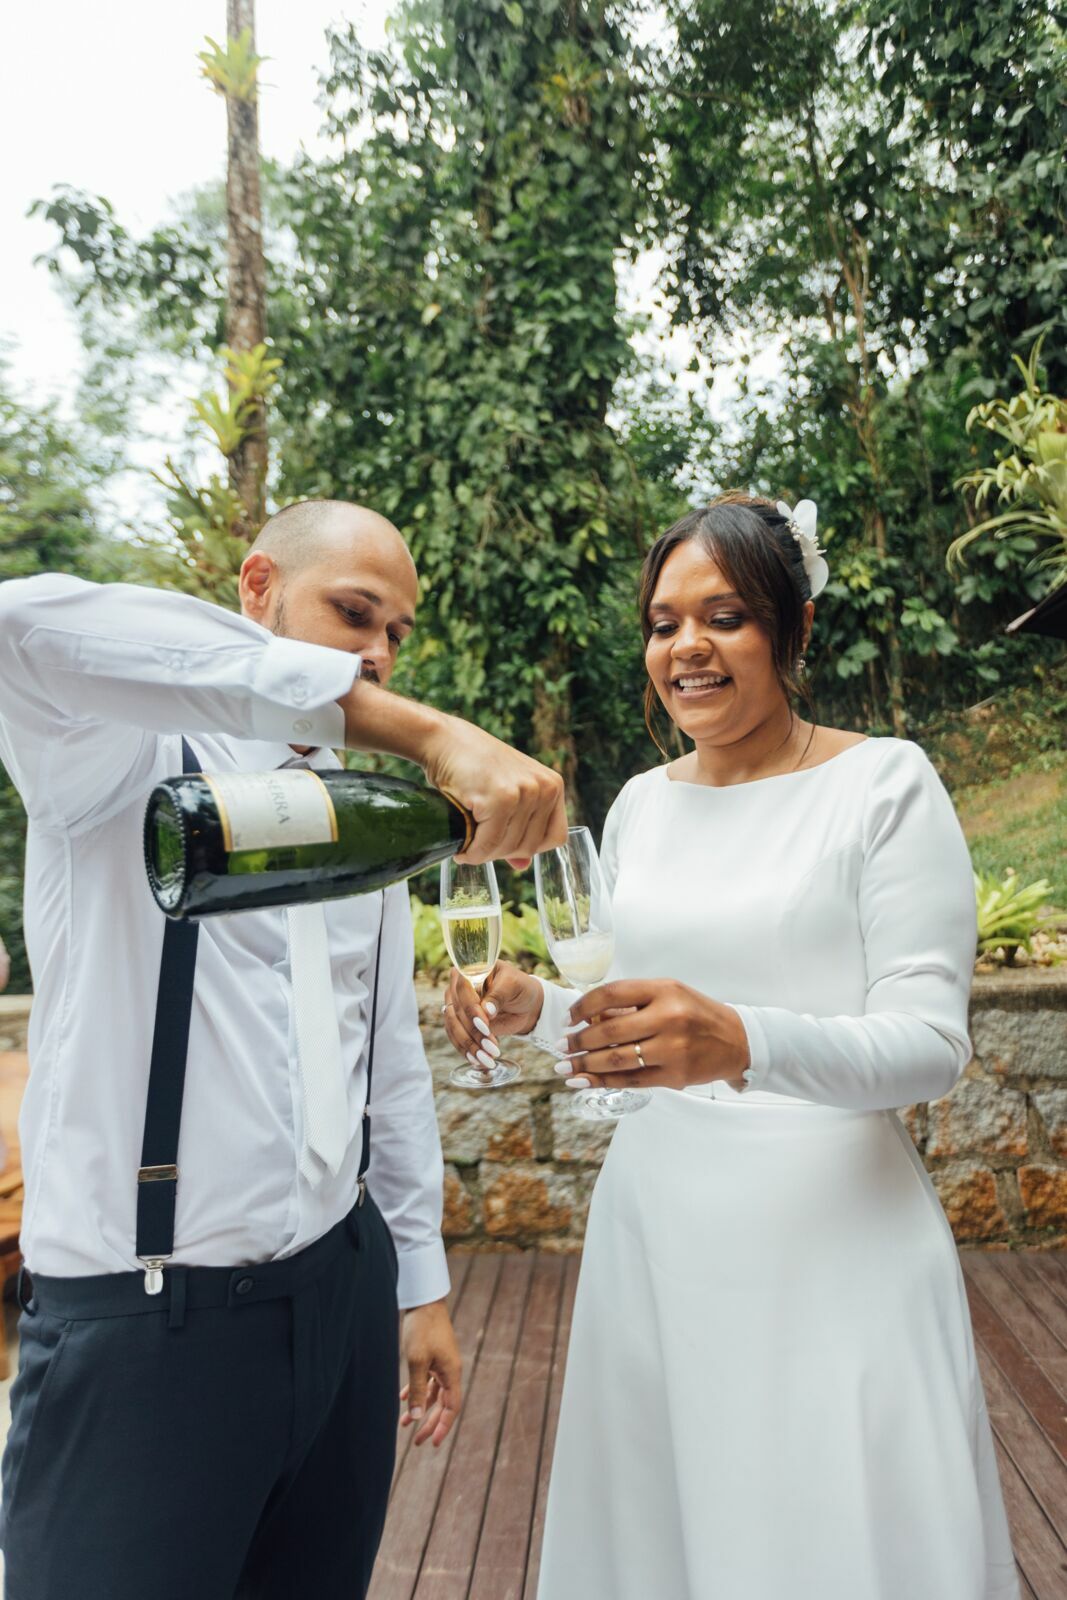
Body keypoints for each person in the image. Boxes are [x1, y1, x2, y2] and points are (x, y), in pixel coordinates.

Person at [444, 493, 1019, 1600]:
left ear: (790, 630)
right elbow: (637, 1032)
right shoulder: (642, 806)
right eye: (663, 623)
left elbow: (927, 1044)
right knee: (667, 1543)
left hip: (831, 1242)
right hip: (656, 1232)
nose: (686, 648)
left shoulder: (883, 783)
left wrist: (741, 1037)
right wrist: (535, 1012)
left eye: (724, 617)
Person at [0, 498, 566, 1600]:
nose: (376, 652)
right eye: (352, 612)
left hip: (339, 1301)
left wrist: (418, 1285)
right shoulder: (110, 759)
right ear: (256, 587)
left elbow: (384, 1067)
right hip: (148, 1331)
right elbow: (15, 621)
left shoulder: (364, 812)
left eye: (395, 634)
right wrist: (430, 730)